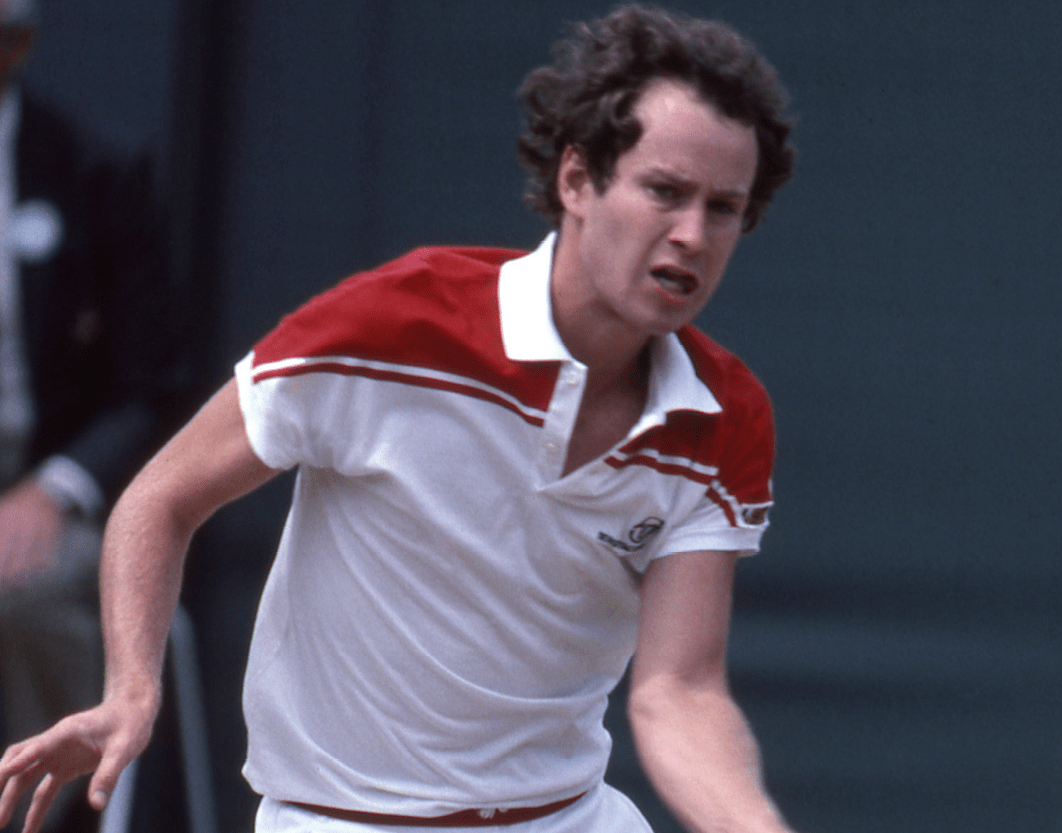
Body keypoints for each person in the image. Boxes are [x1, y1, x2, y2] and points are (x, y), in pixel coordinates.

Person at [0, 5, 798, 833]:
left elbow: (679, 690)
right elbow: (161, 496)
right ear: (576, 180)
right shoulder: (391, 328)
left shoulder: (725, 417)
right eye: (664, 191)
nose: (692, 234)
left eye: (723, 208)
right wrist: (130, 690)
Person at [0, 0, 173, 830]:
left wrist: (54, 489)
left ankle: (46, 812)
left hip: (47, 481)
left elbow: (152, 380)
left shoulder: (97, 165)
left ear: (21, 42)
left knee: (23, 593)